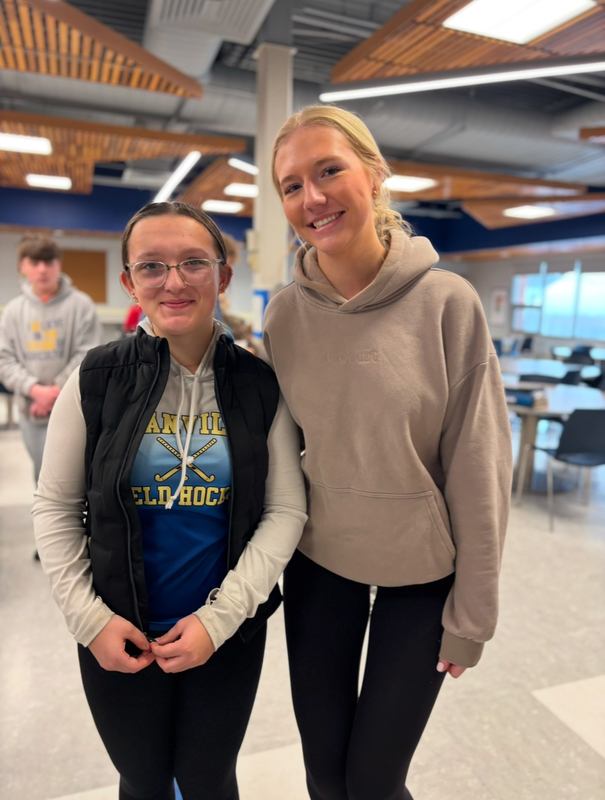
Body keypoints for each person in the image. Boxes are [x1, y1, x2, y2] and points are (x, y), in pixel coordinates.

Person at [265, 105, 513, 800]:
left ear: (374, 176)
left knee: (374, 781)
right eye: (290, 185)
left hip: (421, 575)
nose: (310, 198)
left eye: (328, 171)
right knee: (324, 775)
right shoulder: (284, 315)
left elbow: (480, 469)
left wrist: (474, 616)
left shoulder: (447, 304)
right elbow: (283, 453)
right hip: (320, 564)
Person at [32, 202, 307, 800]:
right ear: (130, 281)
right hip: (119, 631)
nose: (174, 281)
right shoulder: (95, 379)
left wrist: (220, 619)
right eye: (152, 266)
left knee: (208, 779)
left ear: (223, 276)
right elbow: (55, 509)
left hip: (224, 633)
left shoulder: (259, 386)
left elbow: (286, 510)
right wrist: (90, 620)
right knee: (145, 779)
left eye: (192, 263)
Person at [0, 236, 101, 486]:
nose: (42, 269)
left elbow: (88, 354)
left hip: (75, 410)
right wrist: (35, 390)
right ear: (22, 266)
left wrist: (55, 393)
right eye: (35, 262)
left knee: (80, 478)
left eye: (48, 261)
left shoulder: (82, 305)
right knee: (44, 478)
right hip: (32, 412)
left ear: (59, 264)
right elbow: (4, 359)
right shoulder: (13, 312)